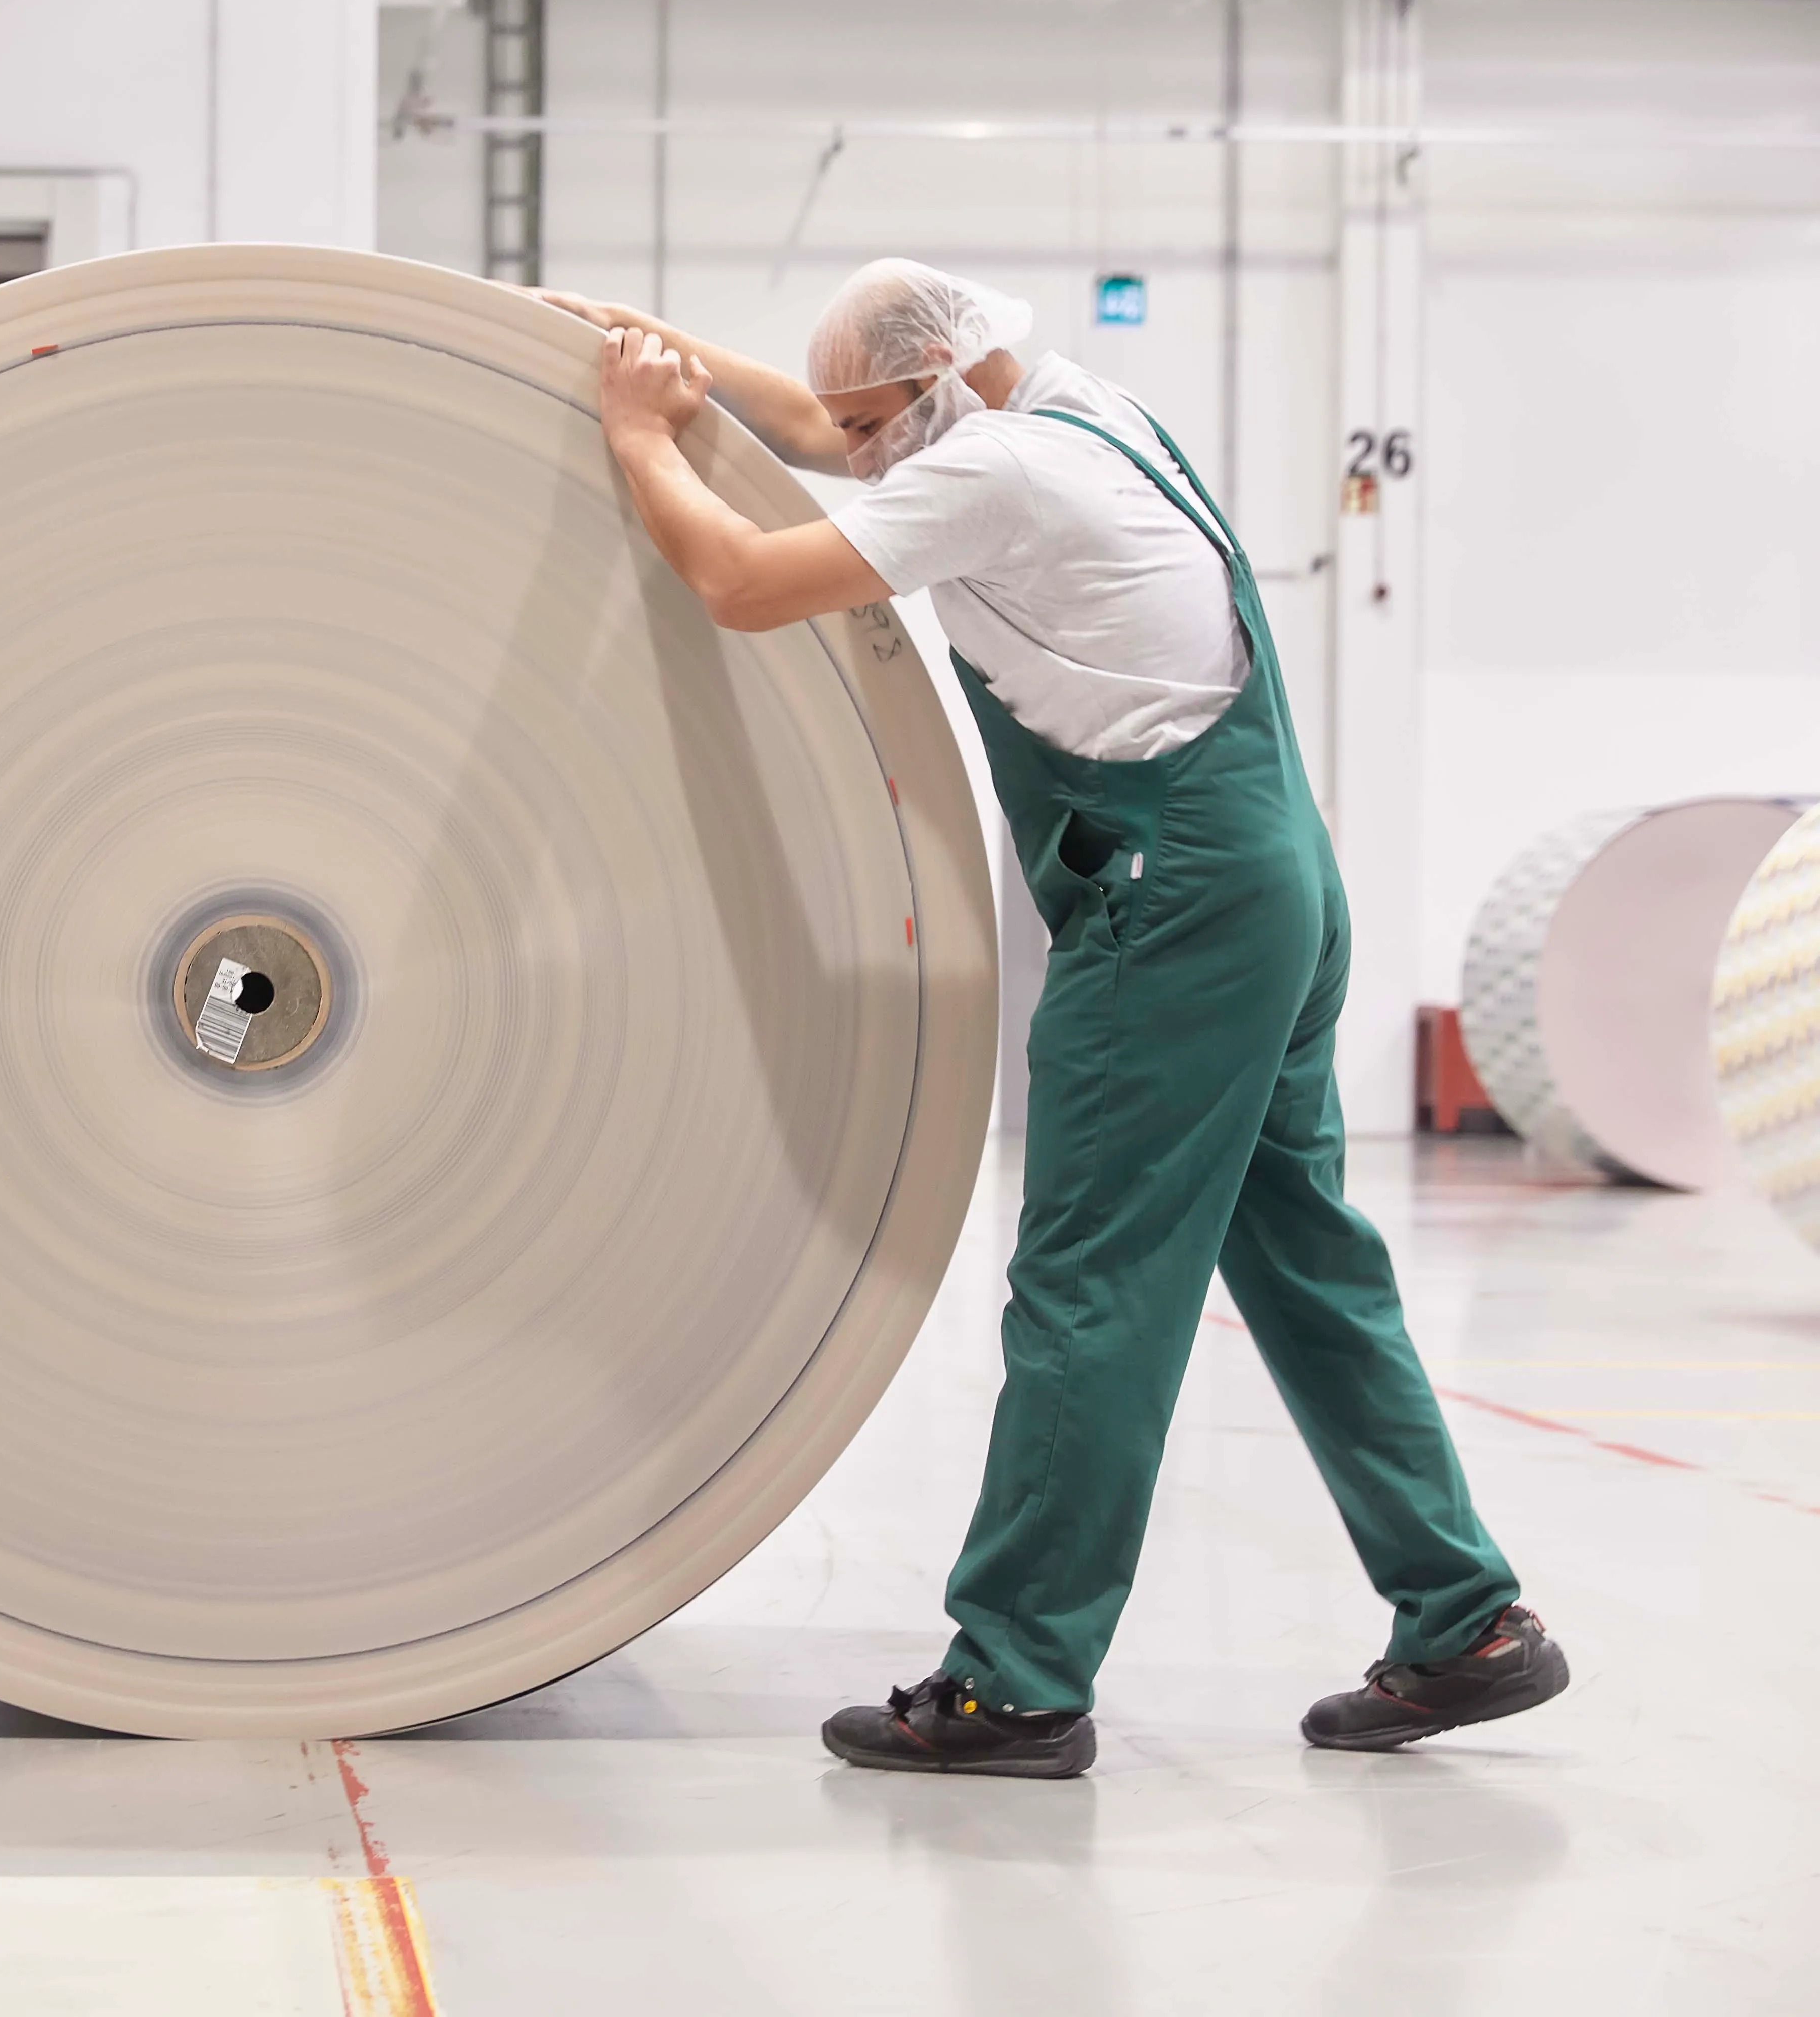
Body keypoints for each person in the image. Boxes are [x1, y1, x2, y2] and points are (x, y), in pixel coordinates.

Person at [541, 263, 1566, 1778]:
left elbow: (745, 584)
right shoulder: (1087, 411)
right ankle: (1467, 1622)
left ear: (941, 385)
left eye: (878, 419)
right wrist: (645, 347)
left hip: (1175, 911)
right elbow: (824, 431)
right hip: (1272, 872)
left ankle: (1018, 1682)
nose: (861, 447)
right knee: (1306, 1265)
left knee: (1093, 1287)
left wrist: (637, 442)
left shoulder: (991, 478)